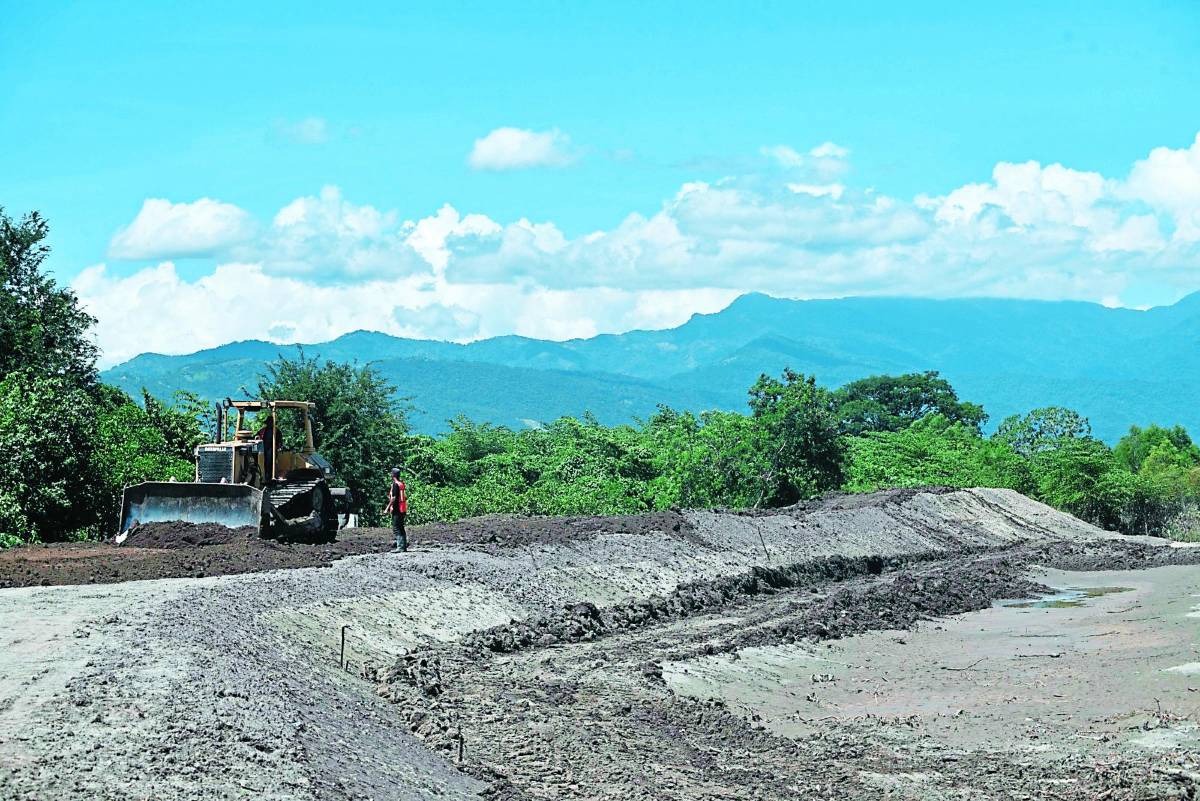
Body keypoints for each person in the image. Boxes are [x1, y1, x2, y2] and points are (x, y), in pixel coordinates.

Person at [383, 467, 408, 552]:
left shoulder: (395, 484)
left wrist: (386, 508)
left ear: (393, 475)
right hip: (402, 508)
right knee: (401, 527)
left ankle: (400, 547)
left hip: (397, 509)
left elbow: (393, 498)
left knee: (396, 528)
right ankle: (403, 546)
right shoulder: (401, 484)